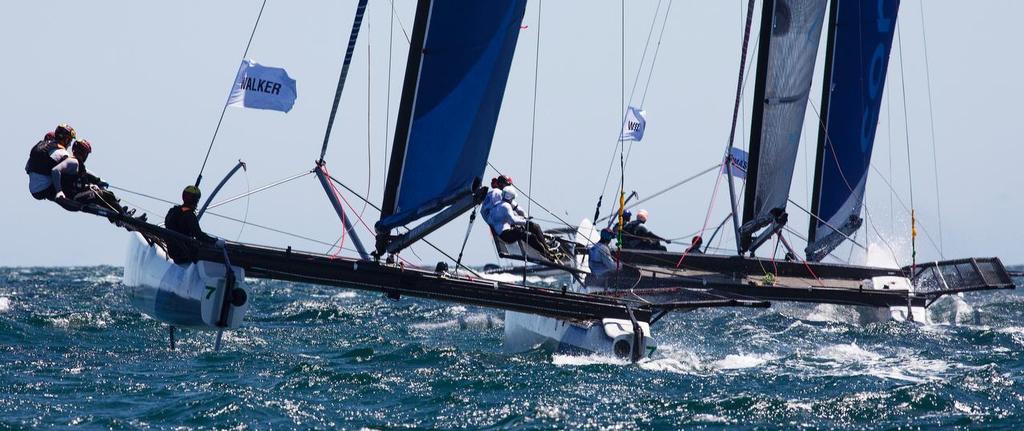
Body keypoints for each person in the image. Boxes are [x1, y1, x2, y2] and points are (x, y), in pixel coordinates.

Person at [488, 188, 553, 260]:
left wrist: (521, 218)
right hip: (507, 235)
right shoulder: (506, 206)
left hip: (504, 234)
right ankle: (547, 254)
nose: (512, 200)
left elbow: (499, 219)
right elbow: (513, 220)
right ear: (509, 197)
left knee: (532, 229)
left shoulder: (496, 206)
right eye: (512, 198)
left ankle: (546, 251)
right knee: (532, 236)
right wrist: (525, 221)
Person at [164, 185, 218, 264]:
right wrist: (214, 241)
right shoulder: (189, 216)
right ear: (196, 200)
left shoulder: (172, 211)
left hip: (172, 251)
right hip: (184, 253)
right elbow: (199, 235)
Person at [26, 124, 75, 201]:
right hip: (46, 189)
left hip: (33, 190)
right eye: (70, 140)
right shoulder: (61, 152)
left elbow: (27, 168)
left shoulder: (39, 147)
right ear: (66, 139)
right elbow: (75, 165)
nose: (70, 144)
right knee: (71, 169)